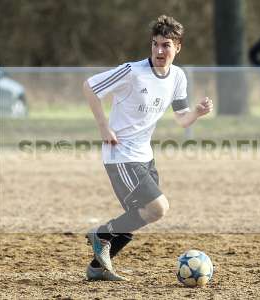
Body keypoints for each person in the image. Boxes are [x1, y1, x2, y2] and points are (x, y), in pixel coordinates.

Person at [82, 15, 213, 281]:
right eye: (155, 44)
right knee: (158, 208)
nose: (159, 51)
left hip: (144, 157)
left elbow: (181, 117)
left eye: (166, 45)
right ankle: (101, 235)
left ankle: (97, 268)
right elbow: (89, 87)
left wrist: (197, 113)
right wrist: (103, 127)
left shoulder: (177, 77)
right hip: (120, 155)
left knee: (139, 215)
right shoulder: (132, 71)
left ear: (178, 47)